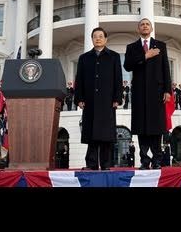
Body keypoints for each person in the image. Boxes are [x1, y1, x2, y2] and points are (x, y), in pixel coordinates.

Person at [124, 18, 172, 170]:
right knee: (141, 126)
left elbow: (166, 69)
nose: (145, 26)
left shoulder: (161, 46)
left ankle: (157, 160)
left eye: (147, 24)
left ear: (151, 28)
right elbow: (127, 66)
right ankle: (144, 160)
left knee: (156, 127)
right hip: (139, 92)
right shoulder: (132, 47)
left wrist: (167, 90)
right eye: (142, 24)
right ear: (138, 29)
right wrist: (145, 56)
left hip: (157, 92)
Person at [74, 27, 123, 171]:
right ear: (92, 39)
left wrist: (117, 98)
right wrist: (79, 98)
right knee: (91, 134)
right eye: (95, 36)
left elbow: (118, 78)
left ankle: (106, 164)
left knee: (106, 134)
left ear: (105, 39)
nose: (98, 38)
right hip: (89, 101)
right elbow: (79, 79)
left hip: (107, 101)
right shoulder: (84, 58)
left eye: (101, 36)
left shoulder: (114, 56)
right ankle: (92, 164)